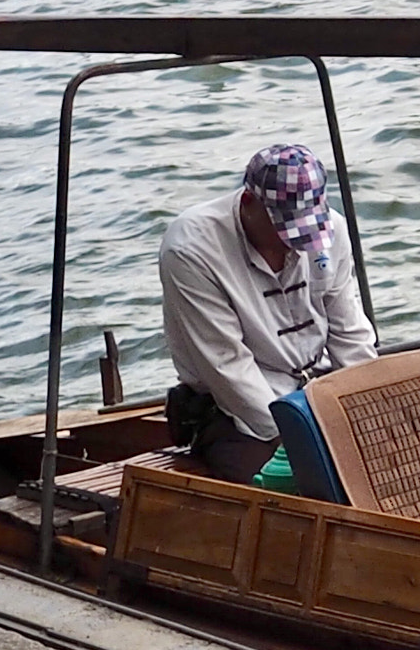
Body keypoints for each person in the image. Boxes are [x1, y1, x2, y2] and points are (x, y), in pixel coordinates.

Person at [158, 143, 377, 482]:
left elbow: (349, 332)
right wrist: (299, 437)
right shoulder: (191, 248)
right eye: (285, 230)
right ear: (248, 204)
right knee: (305, 484)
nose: (294, 244)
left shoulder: (333, 230)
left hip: (315, 388)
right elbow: (227, 367)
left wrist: (369, 409)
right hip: (233, 412)